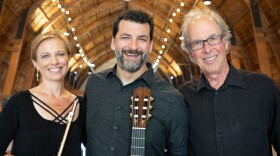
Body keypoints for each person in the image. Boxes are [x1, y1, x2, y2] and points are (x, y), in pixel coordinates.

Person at [85, 9, 188, 156]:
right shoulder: (94, 84)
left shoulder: (173, 99)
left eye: (142, 39)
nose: (133, 47)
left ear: (151, 46)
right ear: (113, 42)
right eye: (126, 37)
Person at [179, 8, 280, 156]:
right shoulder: (182, 98)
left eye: (213, 38)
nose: (207, 49)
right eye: (197, 43)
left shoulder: (263, 88)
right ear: (190, 53)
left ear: (226, 42)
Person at [0, 30, 86, 156]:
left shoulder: (82, 105)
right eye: (45, 56)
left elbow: (99, 147)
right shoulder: (19, 102)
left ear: (69, 58)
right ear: (36, 63)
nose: (54, 61)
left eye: (60, 54)